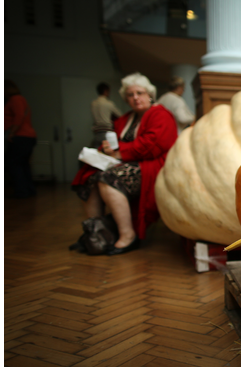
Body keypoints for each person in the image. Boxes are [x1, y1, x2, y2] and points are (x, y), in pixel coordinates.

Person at [71, 73, 178, 255]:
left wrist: (119, 151)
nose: (135, 98)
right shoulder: (126, 118)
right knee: (89, 177)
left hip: (152, 164)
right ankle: (96, 234)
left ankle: (128, 235)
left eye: (140, 93)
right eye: (130, 95)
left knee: (108, 178)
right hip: (126, 162)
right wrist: (106, 149)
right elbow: (115, 143)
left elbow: (153, 145)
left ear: (149, 94)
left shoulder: (161, 115)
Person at [5, 80, 38, 198]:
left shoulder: (15, 99)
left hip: (21, 136)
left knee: (14, 164)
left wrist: (11, 133)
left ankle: (22, 191)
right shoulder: (19, 99)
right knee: (22, 164)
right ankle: (28, 190)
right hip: (26, 136)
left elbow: (19, 116)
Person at [90, 82, 122, 148]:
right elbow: (120, 116)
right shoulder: (109, 103)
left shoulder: (93, 103)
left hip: (97, 133)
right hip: (108, 133)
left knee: (97, 153)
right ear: (106, 91)